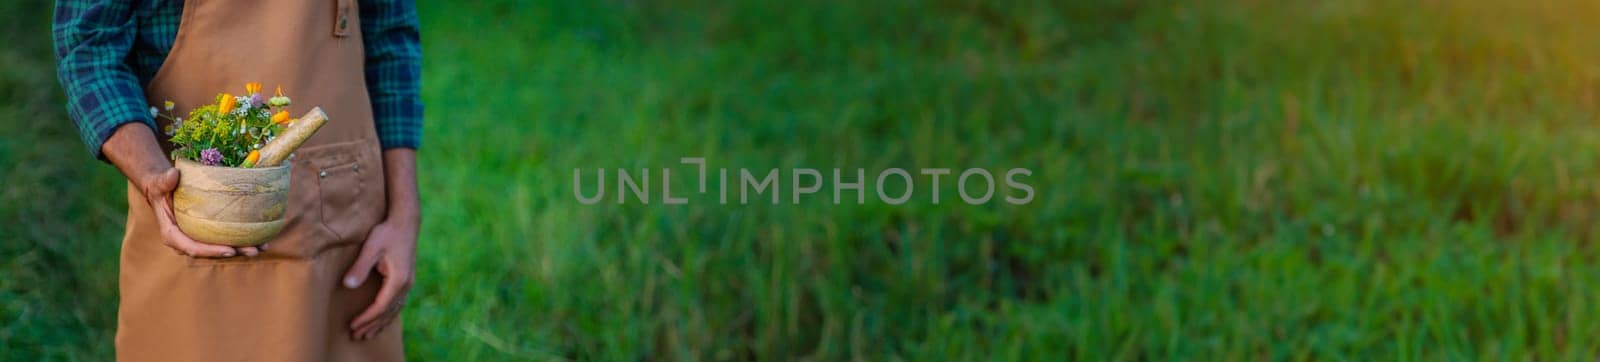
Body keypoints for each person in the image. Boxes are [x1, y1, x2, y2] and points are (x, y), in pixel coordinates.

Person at [53, 0, 422, 360]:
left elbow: (390, 37)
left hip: (342, 245)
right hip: (188, 229)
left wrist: (404, 214)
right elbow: (90, 46)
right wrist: (153, 178)